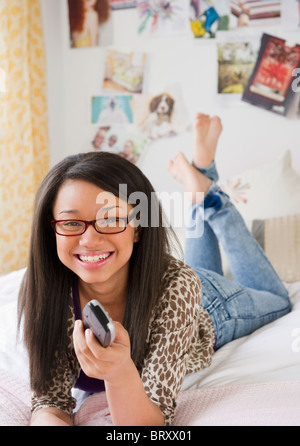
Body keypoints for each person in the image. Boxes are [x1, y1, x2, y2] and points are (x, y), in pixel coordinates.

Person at [18, 113, 291, 426]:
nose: (90, 239)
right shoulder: (46, 288)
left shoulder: (178, 287)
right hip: (167, 276)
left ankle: (212, 199)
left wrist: (120, 372)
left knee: (278, 299)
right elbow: (50, 401)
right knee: (197, 266)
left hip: (211, 307)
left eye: (111, 219)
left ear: (138, 228)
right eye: (71, 222)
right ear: (50, 229)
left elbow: (151, 423)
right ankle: (201, 175)